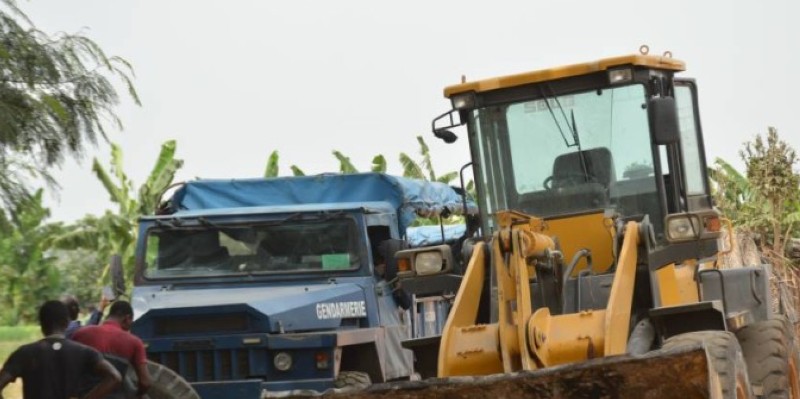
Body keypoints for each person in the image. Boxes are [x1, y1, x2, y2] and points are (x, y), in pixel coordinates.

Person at [0, 300, 121, 399]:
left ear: (42, 324)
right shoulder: (84, 352)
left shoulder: (24, 353)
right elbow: (114, 376)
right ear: (66, 323)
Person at [73, 300, 151, 399]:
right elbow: (145, 382)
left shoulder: (80, 333)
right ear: (127, 318)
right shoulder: (134, 342)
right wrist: (137, 394)